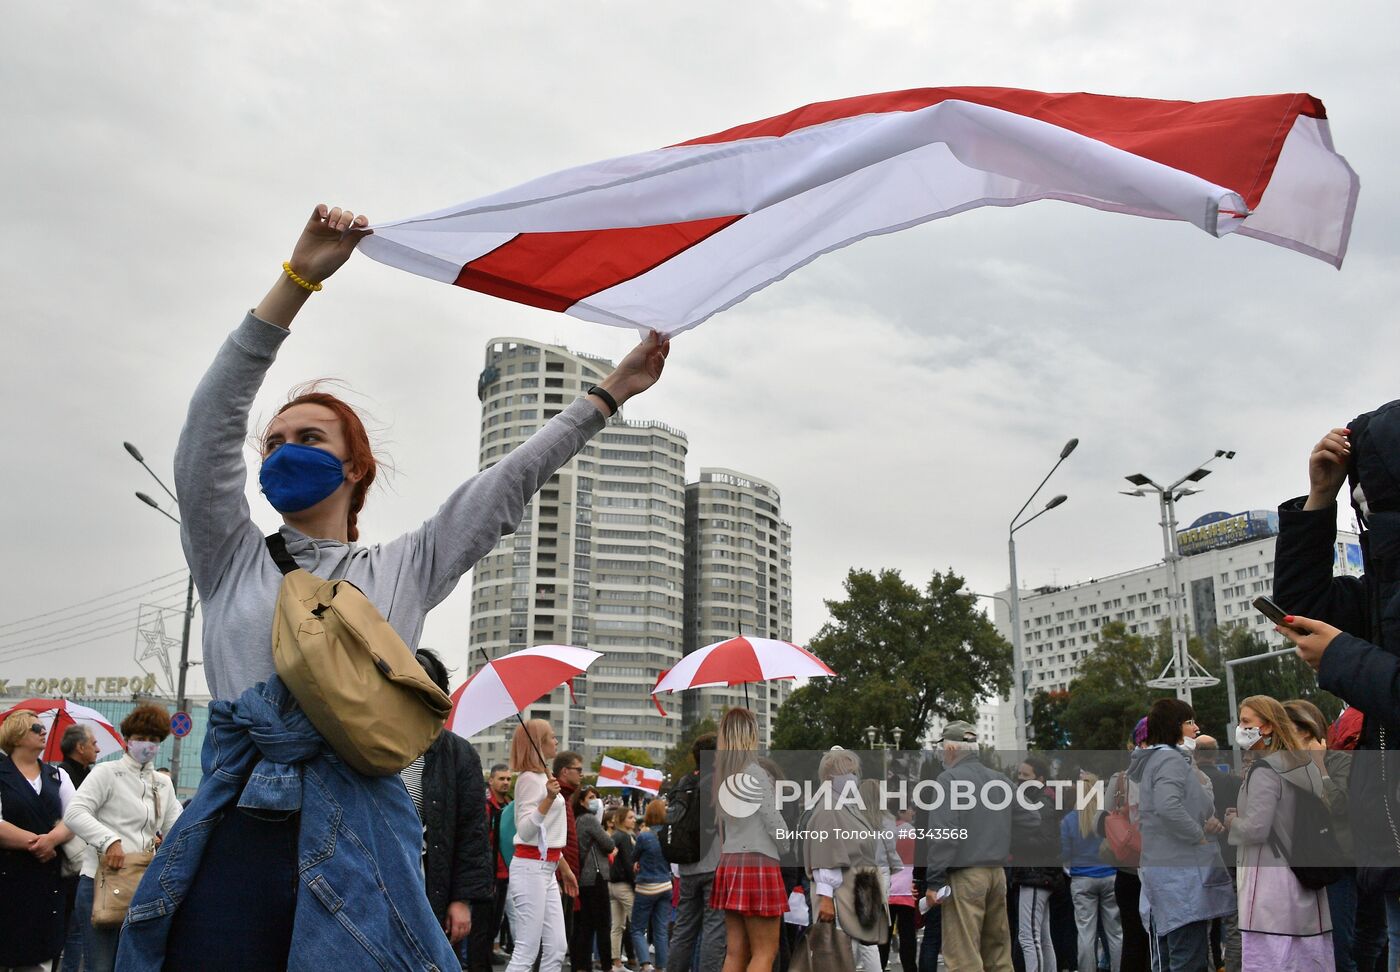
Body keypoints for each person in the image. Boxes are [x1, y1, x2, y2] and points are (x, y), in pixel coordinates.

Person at [112, 204, 668, 969]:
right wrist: (297, 279)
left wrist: (608, 394)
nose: (282, 452)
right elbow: (209, 425)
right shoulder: (229, 553)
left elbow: (506, 485)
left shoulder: (400, 569)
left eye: (308, 439)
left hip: (360, 847)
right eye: (272, 443)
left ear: (353, 467)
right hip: (235, 836)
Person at [63, 704, 181, 972]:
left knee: (135, 964)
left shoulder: (163, 783)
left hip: (143, 883)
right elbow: (75, 812)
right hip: (101, 880)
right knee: (102, 965)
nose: (147, 745)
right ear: (127, 739)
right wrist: (109, 840)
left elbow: (177, 828)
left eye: (154, 740)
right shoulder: (106, 772)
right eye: (141, 738)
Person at [1222, 696, 1333, 971]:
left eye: (1246, 721)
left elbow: (1256, 828)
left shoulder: (1265, 770)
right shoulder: (1300, 765)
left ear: (1268, 727)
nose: (1241, 727)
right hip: (1304, 882)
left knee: (1272, 959)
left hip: (1270, 891)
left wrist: (1233, 822)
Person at [917, 720, 1034, 972]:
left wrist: (934, 881)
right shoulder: (999, 779)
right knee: (999, 955)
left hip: (965, 876)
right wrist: (999, 834)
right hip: (997, 874)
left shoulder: (948, 780)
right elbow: (1032, 819)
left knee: (964, 957)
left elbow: (944, 835)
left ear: (950, 749)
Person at [1128, 698, 1234, 972]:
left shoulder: (1161, 759)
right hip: (1182, 878)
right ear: (1174, 726)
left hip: (1170, 874)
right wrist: (1197, 833)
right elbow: (1168, 806)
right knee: (1188, 957)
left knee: (1175, 955)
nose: (1196, 728)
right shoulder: (1169, 760)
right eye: (1189, 722)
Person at [401, 649, 493, 958]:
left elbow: (472, 833)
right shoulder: (367, 744)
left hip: (429, 884)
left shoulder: (458, 754)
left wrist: (462, 899)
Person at [0, 709, 77, 972]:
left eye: (44, 727)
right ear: (17, 733)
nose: (43, 731)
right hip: (7, 875)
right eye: (36, 728)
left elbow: (76, 816)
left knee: (41, 950)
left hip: (49, 878)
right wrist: (40, 844)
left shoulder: (58, 776)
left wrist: (52, 840)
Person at [711, 708, 787, 972]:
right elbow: (773, 821)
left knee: (736, 952)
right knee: (765, 952)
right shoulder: (754, 772)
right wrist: (786, 843)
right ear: (751, 734)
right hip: (758, 860)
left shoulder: (723, 775)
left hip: (731, 861)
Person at [1286, 699, 1357, 972]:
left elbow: (1337, 805)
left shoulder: (1338, 761)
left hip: (1335, 867)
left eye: (1285, 724)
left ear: (1305, 730)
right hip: (1297, 868)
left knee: (1340, 945)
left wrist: (1319, 767)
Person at [504, 720, 578, 972]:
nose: (556, 741)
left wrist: (564, 868)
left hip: (545, 866)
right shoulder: (528, 780)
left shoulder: (541, 777)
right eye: (552, 737)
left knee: (557, 948)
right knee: (526, 950)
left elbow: (550, 836)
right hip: (530, 867)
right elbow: (525, 830)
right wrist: (547, 799)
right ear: (539, 743)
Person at [806, 749, 888, 971]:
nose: (853, 776)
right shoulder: (829, 808)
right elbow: (825, 856)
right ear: (830, 777)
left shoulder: (843, 805)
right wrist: (825, 898)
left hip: (851, 891)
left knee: (849, 952)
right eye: (847, 772)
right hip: (838, 894)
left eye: (854, 771)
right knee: (840, 954)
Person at [669, 732, 726, 972]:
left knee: (683, 930)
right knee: (714, 930)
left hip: (687, 865)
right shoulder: (719, 782)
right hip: (715, 863)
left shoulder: (684, 782)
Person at [1061, 771, 1122, 972]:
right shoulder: (1107, 817)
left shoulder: (1069, 820)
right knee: (1115, 932)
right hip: (1110, 876)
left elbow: (1065, 853)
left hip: (1082, 879)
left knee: (1085, 933)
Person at [1193, 733, 1243, 972]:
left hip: (1203, 859)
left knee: (1204, 923)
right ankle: (1234, 966)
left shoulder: (1193, 784)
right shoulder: (1232, 782)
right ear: (1216, 753)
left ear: (1195, 754)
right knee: (1233, 922)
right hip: (1231, 856)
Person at [1010, 757, 1061, 972]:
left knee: (1028, 936)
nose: (1021, 779)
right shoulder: (1041, 801)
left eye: (1026, 775)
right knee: (1041, 935)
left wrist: (1012, 840)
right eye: (1019, 775)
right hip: (1039, 874)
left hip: (1035, 874)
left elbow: (1047, 842)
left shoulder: (1041, 804)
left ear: (1039, 779)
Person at [471, 762, 515, 972]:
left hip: (505, 874)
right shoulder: (485, 807)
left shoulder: (509, 806)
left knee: (493, 928)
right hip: (486, 876)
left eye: (508, 778)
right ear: (491, 781)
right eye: (501, 778)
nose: (506, 782)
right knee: (481, 930)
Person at [574, 786, 615, 972]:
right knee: (603, 924)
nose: (595, 801)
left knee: (586, 925)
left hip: (583, 877)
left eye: (597, 797)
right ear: (581, 801)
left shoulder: (576, 819)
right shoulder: (590, 820)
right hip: (596, 875)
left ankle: (582, 965)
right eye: (591, 797)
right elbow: (608, 844)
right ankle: (607, 965)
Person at [632, 798, 674, 972]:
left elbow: (634, 856)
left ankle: (645, 964)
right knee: (661, 930)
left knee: (637, 928)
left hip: (647, 886)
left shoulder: (644, 836)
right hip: (666, 885)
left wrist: (637, 862)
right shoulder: (669, 834)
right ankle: (661, 967)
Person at [556, 751, 587, 948]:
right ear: (565, 771)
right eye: (579, 770)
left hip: (566, 876)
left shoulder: (565, 797)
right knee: (553, 943)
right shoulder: (556, 796)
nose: (581, 775)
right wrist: (558, 875)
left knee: (561, 941)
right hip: (558, 877)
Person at [608, 806, 639, 971]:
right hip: (624, 885)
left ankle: (617, 963)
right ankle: (646, 963)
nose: (634, 820)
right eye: (630, 817)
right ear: (621, 819)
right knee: (637, 924)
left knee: (617, 926)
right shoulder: (624, 837)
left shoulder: (615, 836)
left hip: (612, 885)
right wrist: (636, 886)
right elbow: (629, 864)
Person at [57, 725, 97, 790]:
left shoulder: (87, 772)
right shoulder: (62, 776)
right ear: (80, 747)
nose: (98, 750)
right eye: (93, 744)